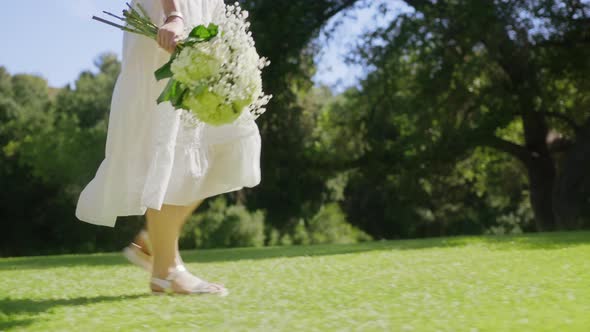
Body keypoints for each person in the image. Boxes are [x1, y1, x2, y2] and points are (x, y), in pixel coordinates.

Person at [76, 0, 262, 295]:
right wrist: (173, 13)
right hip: (171, 19)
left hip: (204, 14)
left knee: (221, 140)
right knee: (172, 140)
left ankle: (156, 244)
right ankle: (166, 271)